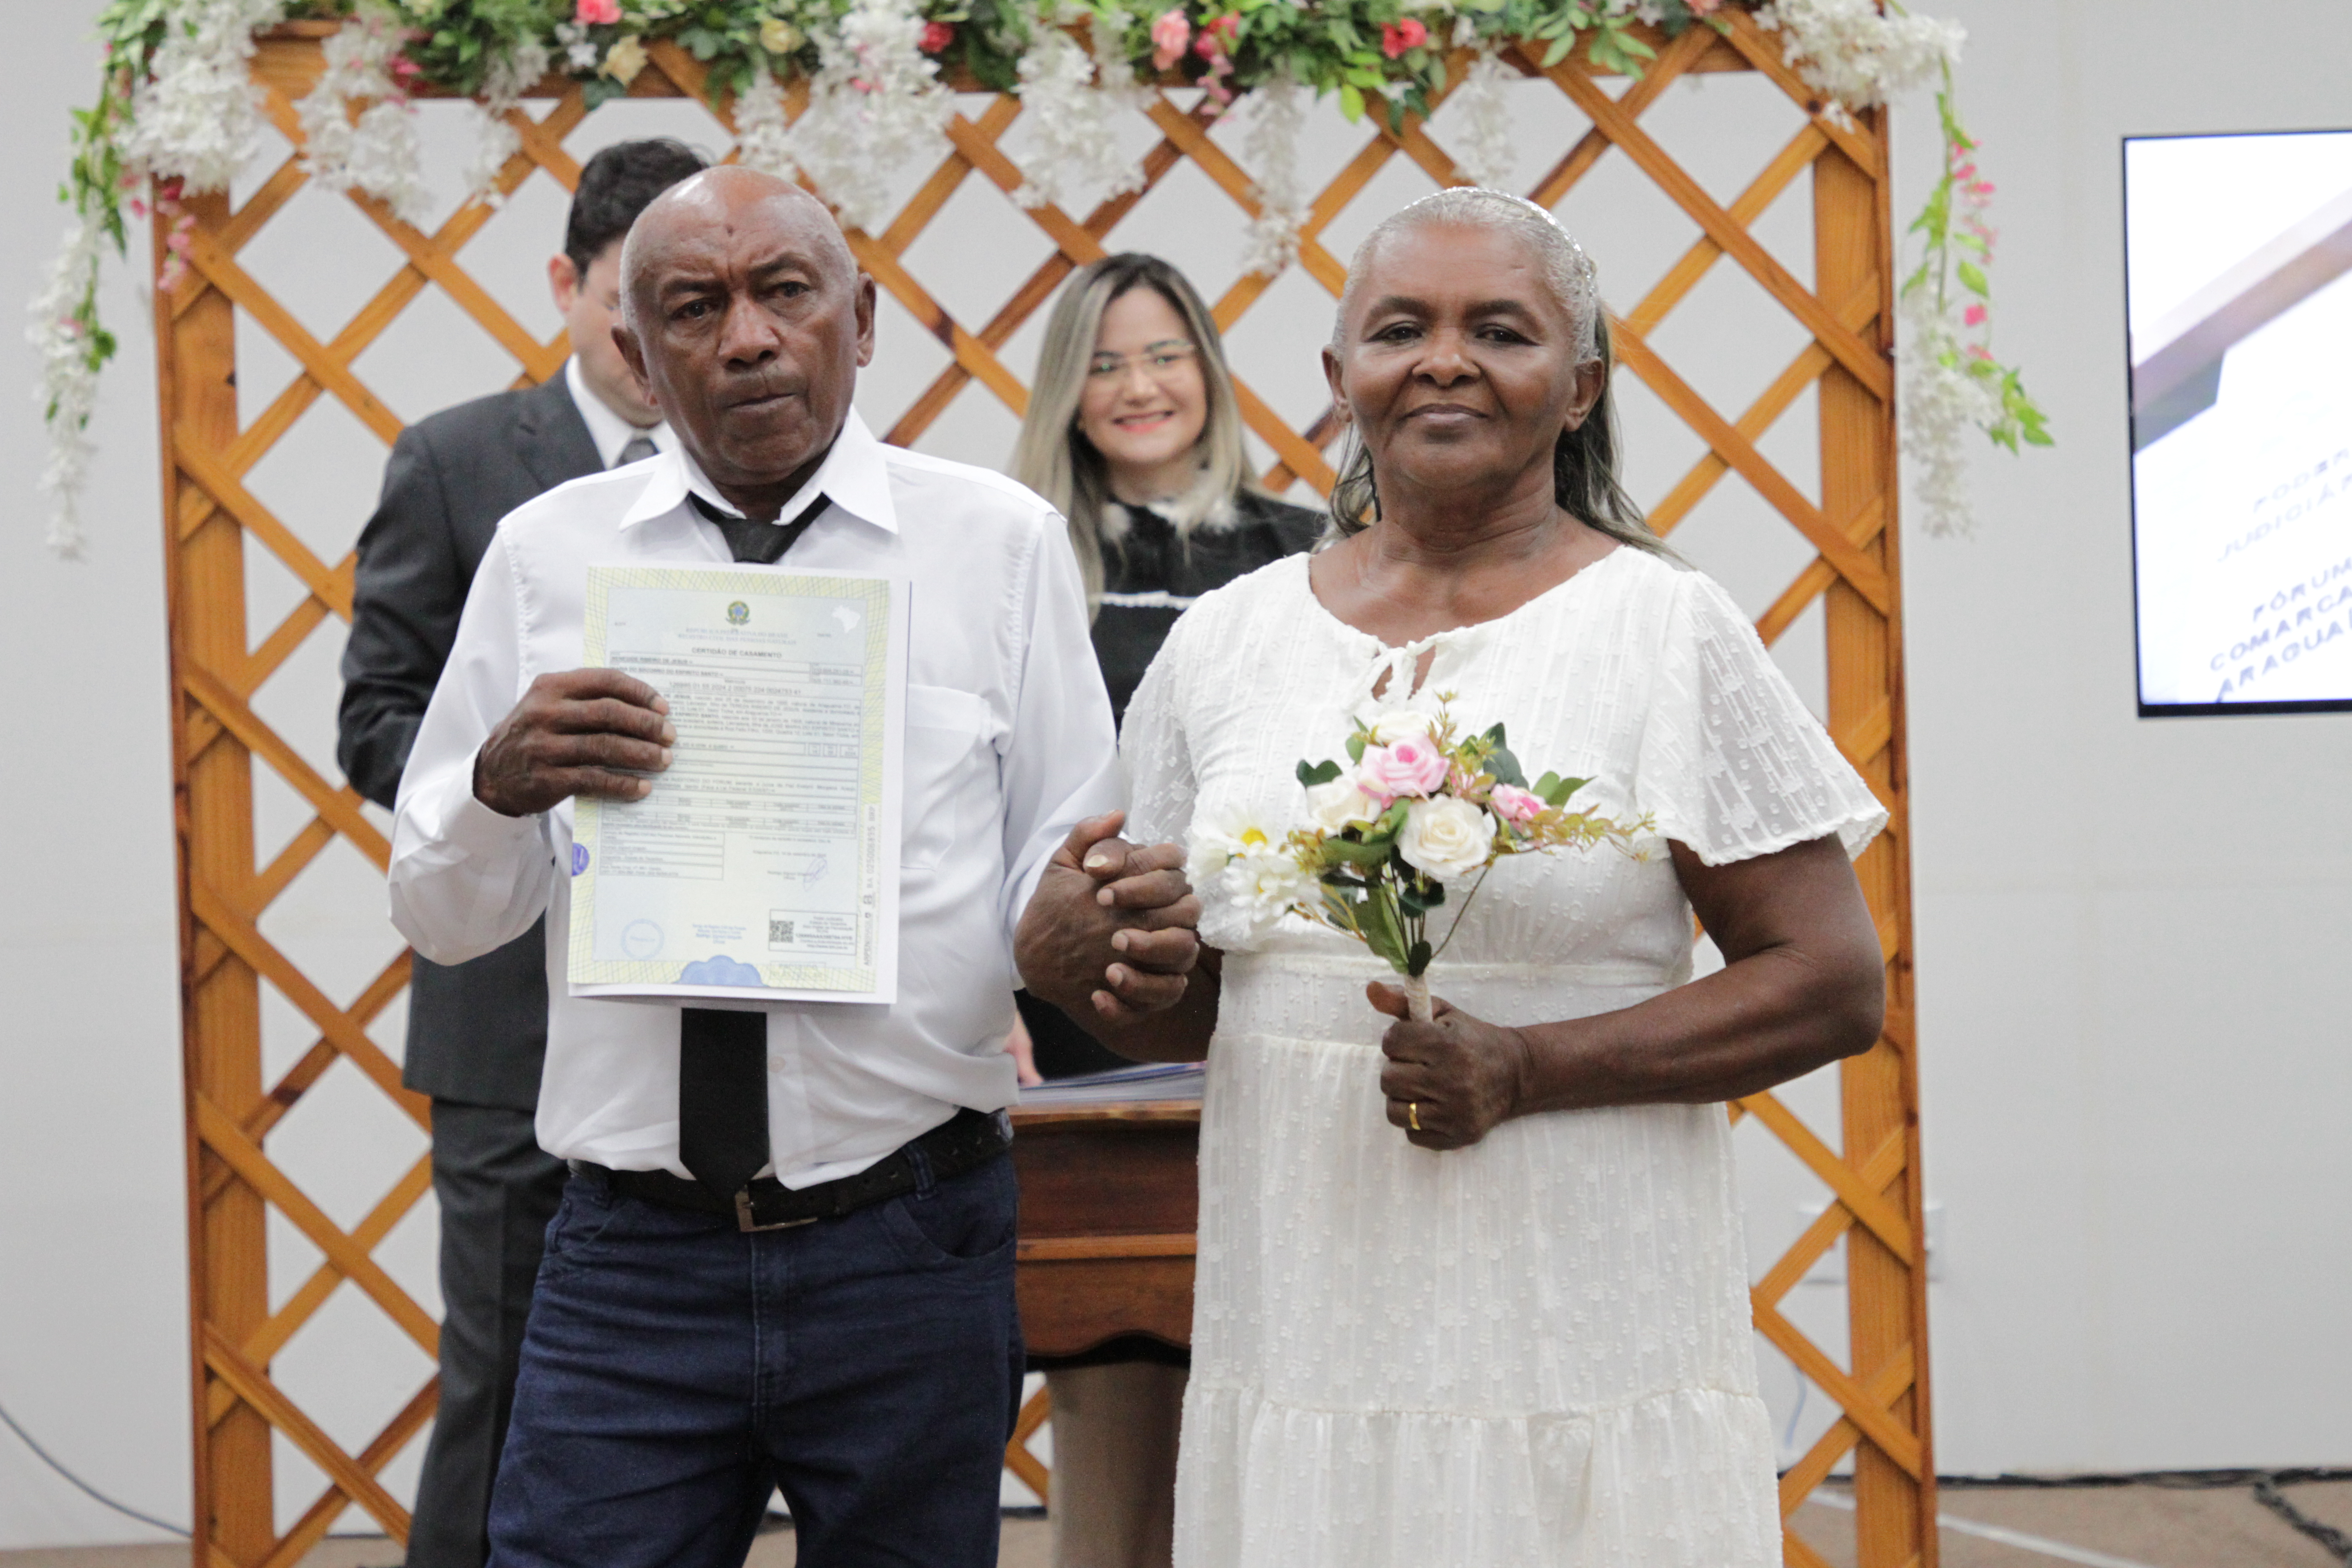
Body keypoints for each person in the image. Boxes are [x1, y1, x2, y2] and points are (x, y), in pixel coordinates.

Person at [385, 166, 1199, 1568]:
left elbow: (1049, 863)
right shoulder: (543, 556)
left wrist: (1091, 927)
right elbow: (447, 919)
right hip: (630, 1258)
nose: (747, 337)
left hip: (909, 1235)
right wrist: (495, 786)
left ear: (862, 319)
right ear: (635, 354)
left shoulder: (994, 546)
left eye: (785, 293)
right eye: (694, 308)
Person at [1104, 188, 1891, 1565]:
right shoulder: (1226, 645)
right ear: (1339, 375)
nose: (1446, 360)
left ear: (1579, 385)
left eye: (1502, 330)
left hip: (1581, 1306)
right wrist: (1098, 957)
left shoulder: (1663, 630)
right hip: (1310, 1307)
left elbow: (1829, 985)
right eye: (1401, 327)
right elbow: (1187, 1002)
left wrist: (1529, 1067)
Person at [336, 137, 707, 1568]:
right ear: (567, 285)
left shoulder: (756, 469)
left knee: (670, 1407)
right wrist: (506, 778)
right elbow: (372, 719)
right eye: (630, 308)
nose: (654, 345)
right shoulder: (459, 458)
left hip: (700, 1018)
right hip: (505, 1015)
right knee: (501, 1375)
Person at [1004, 253, 1322, 1568]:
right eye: (1106, 362)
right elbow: (989, 807)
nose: (1138, 387)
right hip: (1090, 1036)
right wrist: (991, 999)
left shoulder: (1315, 553)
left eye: (1164, 354)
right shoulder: (1025, 566)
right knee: (1115, 1388)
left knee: (1292, 1410)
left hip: (1287, 1019)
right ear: (1067, 394)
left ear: (1210, 367)